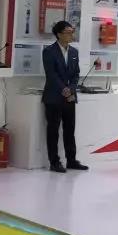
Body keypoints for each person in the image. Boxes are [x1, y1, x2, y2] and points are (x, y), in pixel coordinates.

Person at [42, 20, 88, 173]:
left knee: (70, 129)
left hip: (69, 97)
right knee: (53, 130)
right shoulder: (49, 51)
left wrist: (72, 89)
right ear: (59, 34)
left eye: (72, 32)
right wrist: (64, 89)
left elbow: (76, 74)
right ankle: (54, 162)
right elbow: (51, 74)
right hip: (54, 97)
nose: (71, 35)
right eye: (68, 32)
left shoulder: (74, 52)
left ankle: (71, 160)